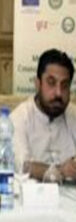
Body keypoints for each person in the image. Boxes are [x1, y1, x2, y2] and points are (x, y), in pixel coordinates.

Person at [11, 48, 76, 181]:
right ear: (37, 83)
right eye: (51, 83)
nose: (58, 93)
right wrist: (61, 171)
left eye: (64, 85)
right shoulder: (19, 118)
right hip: (31, 193)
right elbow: (21, 165)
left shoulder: (73, 115)